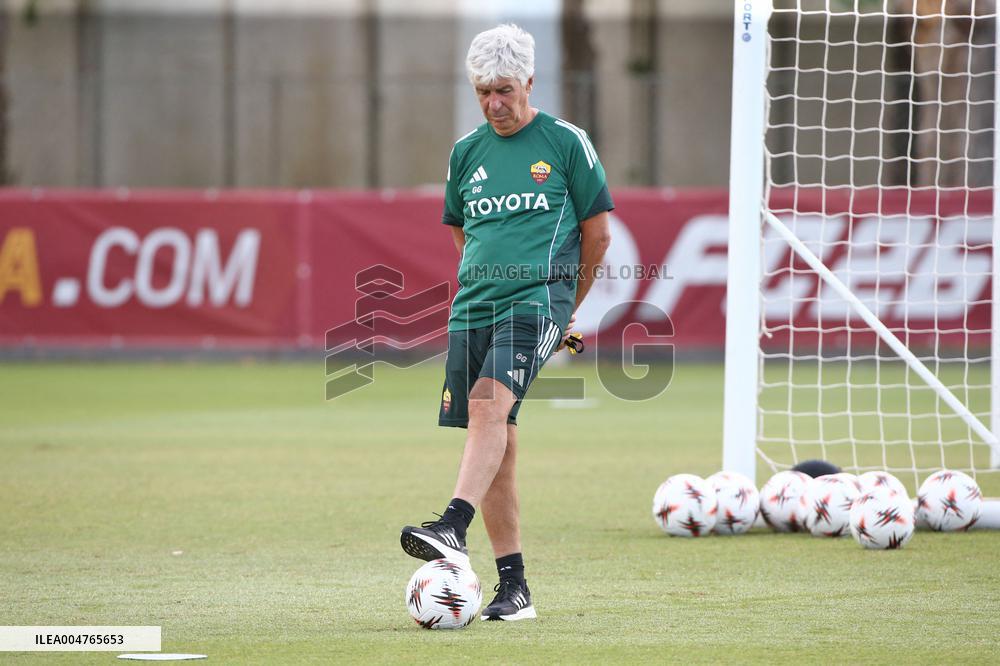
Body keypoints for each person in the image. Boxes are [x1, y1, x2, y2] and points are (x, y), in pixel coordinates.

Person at [400, 23, 613, 622]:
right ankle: (514, 589)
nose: (494, 103)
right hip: (473, 307)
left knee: (489, 407)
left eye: (504, 90)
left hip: (539, 301)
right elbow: (462, 232)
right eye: (483, 92)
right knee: (497, 436)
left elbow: (598, 235)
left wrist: (568, 307)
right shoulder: (465, 152)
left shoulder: (567, 142)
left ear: (528, 82)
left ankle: (452, 525)